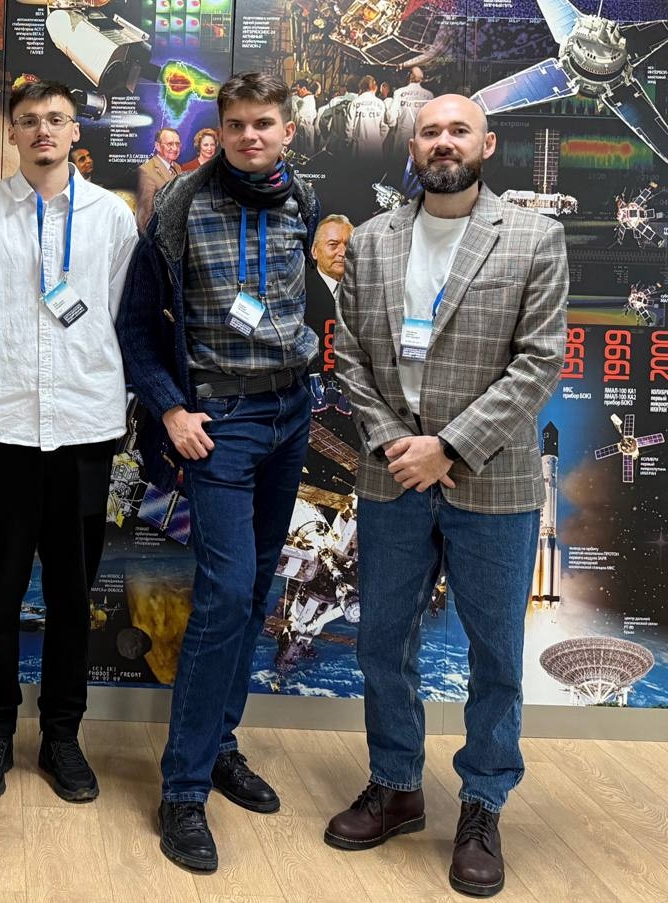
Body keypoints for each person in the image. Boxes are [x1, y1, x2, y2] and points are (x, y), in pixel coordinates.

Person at [324, 95, 567, 899]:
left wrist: (449, 447)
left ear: (486, 144)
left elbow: (537, 363)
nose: (443, 142)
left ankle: (483, 803)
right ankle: (396, 785)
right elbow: (351, 354)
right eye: (429, 131)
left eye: (459, 130)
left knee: (493, 654)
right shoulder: (372, 240)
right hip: (392, 474)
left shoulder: (533, 237)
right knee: (381, 643)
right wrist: (398, 443)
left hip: (490, 480)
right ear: (413, 146)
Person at [117, 72, 321, 874]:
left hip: (290, 413)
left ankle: (221, 742)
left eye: (263, 123)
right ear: (221, 130)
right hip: (220, 425)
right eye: (235, 124)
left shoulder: (303, 202)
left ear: (287, 130)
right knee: (226, 593)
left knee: (258, 588)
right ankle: (183, 788)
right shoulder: (179, 205)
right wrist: (170, 408)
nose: (249, 136)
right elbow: (135, 325)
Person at [0, 80, 137, 804]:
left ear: (75, 128)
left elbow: (116, 311)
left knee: (70, 593)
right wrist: (9, 366)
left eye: (56, 118)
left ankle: (62, 735)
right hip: (2, 427)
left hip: (83, 427)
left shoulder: (110, 217)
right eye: (29, 121)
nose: (43, 131)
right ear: (15, 134)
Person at [136, 127, 182, 231]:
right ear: (157, 146)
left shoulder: (177, 167)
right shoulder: (146, 171)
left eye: (177, 144)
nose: (175, 148)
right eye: (170, 144)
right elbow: (144, 216)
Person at [307, 214, 353, 310]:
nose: (343, 253)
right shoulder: (300, 293)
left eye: (348, 245)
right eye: (333, 245)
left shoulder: (365, 291)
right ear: (314, 251)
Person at [348, 75, 389, 157]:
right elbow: (385, 127)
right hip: (375, 146)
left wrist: (349, 142)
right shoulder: (380, 103)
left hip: (358, 146)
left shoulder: (355, 102)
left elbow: (349, 126)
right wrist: (379, 140)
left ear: (361, 87)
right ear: (374, 87)